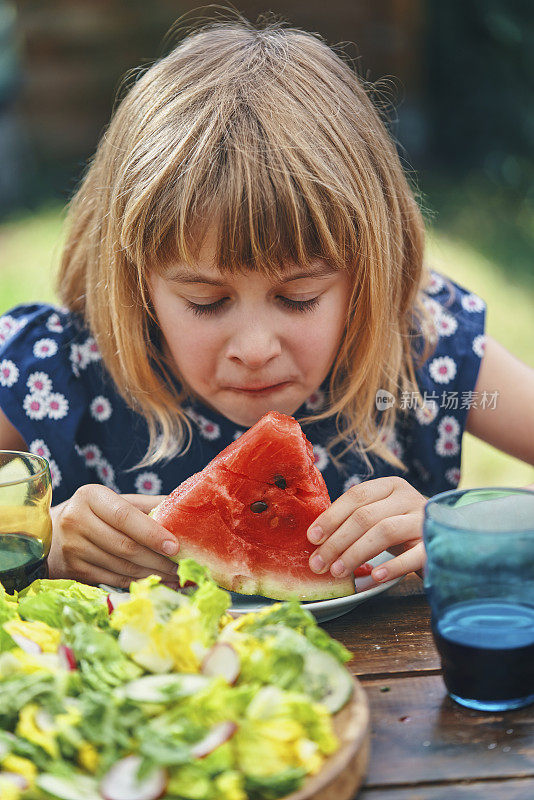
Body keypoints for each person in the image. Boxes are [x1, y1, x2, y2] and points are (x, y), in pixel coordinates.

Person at [1, 17, 533, 592]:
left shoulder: (422, 352)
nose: (255, 350)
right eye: (205, 302)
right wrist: (36, 538)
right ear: (136, 282)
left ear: (367, 274)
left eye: (297, 298)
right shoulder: (59, 368)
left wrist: (465, 531)